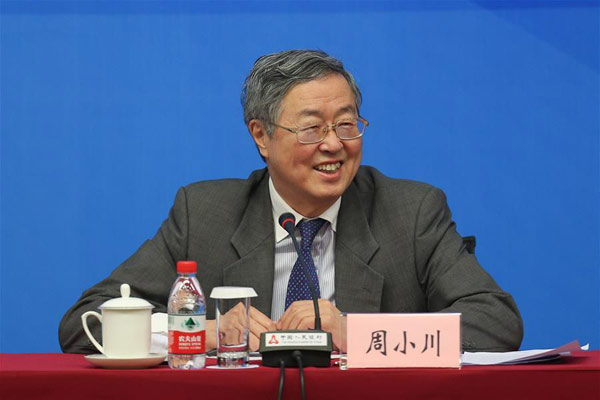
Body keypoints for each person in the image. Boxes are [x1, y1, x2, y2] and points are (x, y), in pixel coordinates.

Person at [59, 50, 523, 354]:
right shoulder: (203, 214)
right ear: (261, 136)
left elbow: (496, 323)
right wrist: (204, 332)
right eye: (311, 128)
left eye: (346, 124)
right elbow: (84, 325)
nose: (334, 144)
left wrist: (353, 333)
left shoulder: (411, 212)